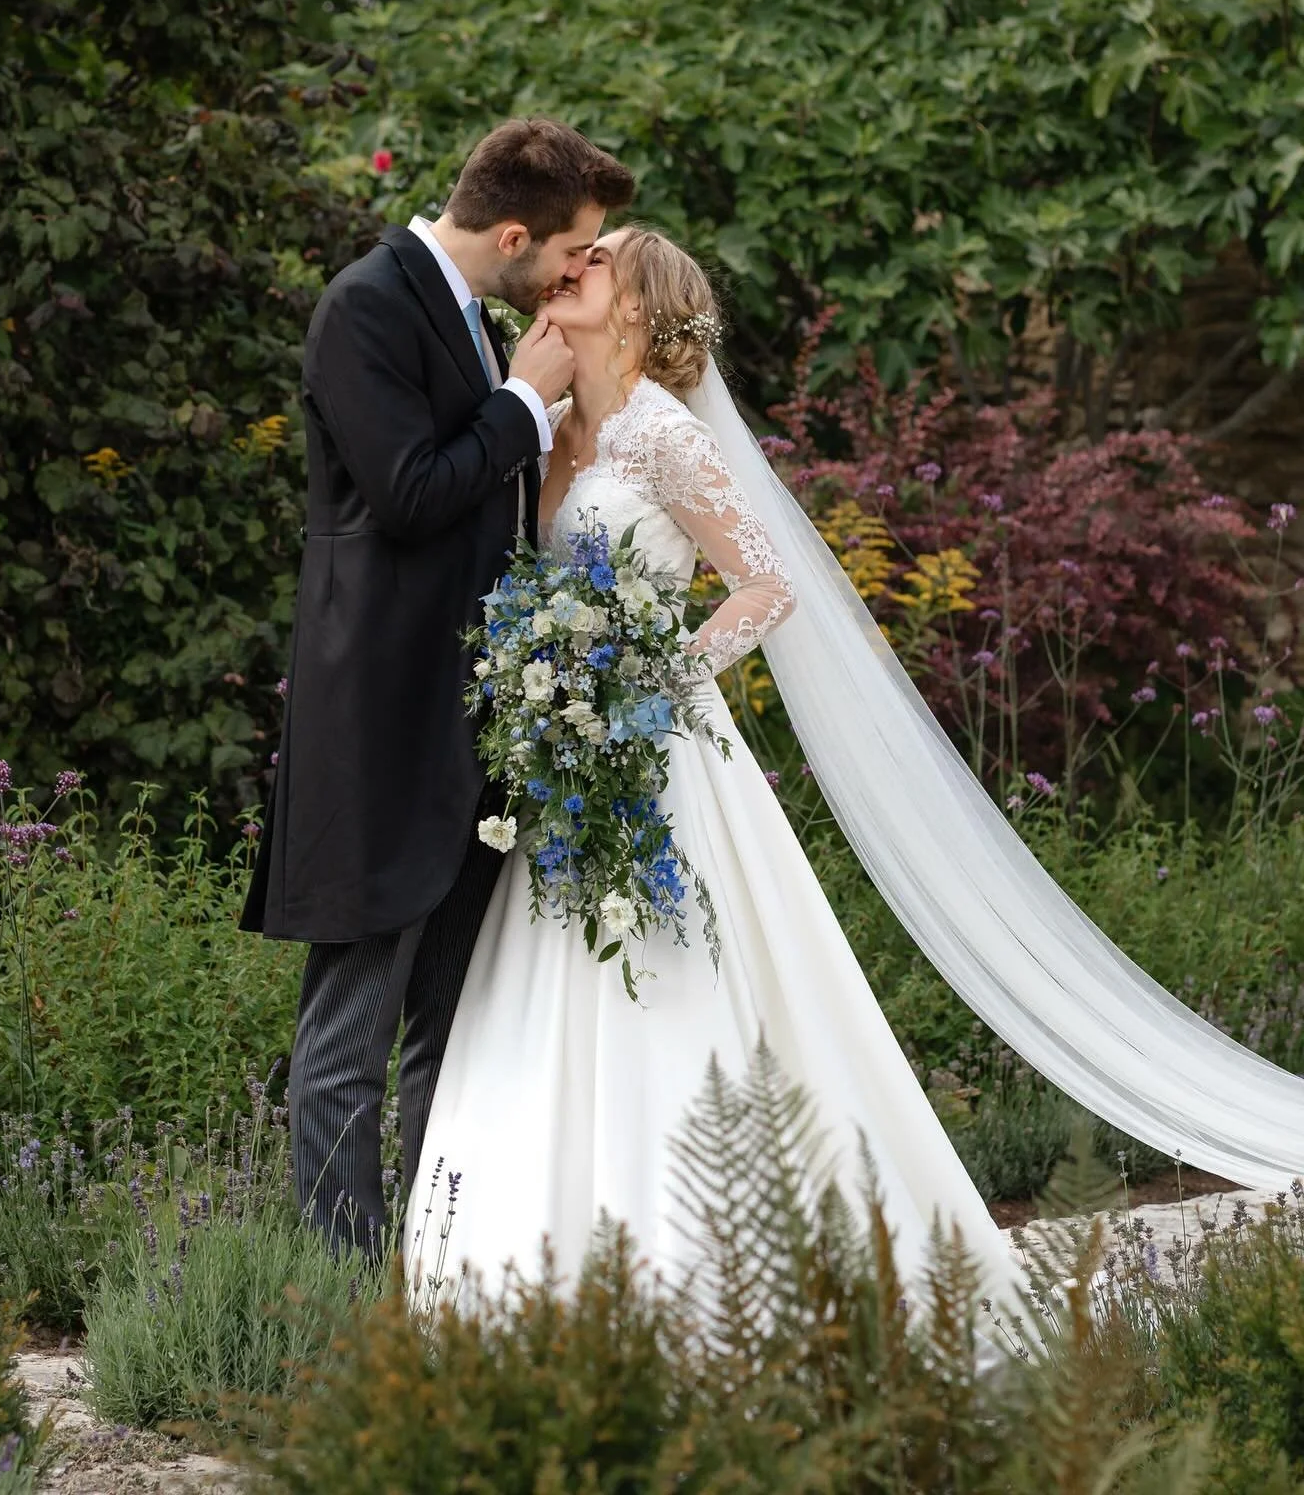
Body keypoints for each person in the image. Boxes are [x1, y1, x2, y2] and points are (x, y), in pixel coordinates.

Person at [404, 226, 1034, 1320]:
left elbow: (763, 587)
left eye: (594, 263)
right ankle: (518, 1266)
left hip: (659, 753)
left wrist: (654, 683)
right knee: (537, 990)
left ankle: (702, 1265)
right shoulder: (542, 429)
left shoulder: (665, 438)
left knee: (672, 981)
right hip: (563, 764)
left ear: (639, 307)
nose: (569, 270)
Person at [241, 117, 636, 1256]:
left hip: (474, 736)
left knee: (451, 1033)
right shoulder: (367, 306)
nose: (573, 276)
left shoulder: (473, 321)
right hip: (381, 731)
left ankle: (436, 1273)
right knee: (350, 1037)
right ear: (513, 234)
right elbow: (410, 494)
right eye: (568, 253)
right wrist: (518, 406)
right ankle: (342, 1295)